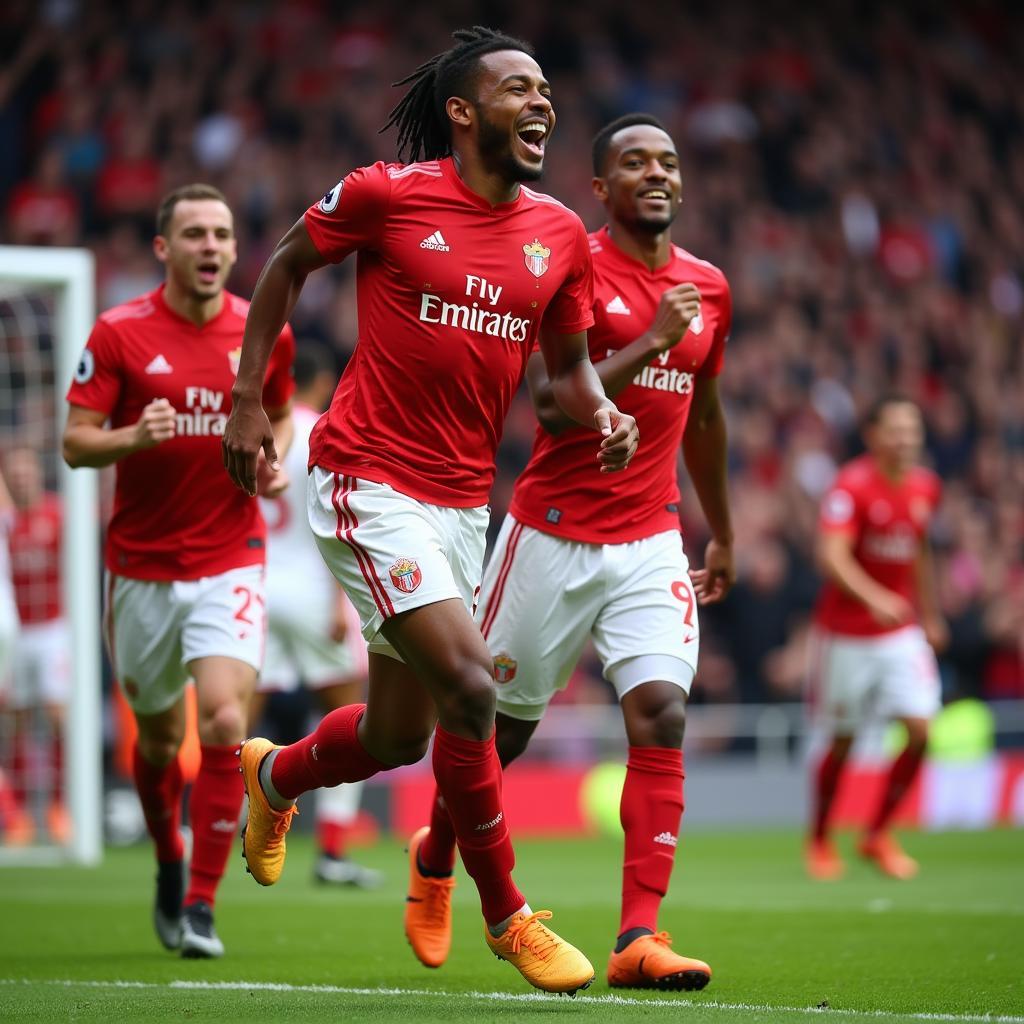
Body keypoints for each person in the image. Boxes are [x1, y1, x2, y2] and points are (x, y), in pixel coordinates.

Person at [221, 26, 638, 996]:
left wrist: (605, 412)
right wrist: (249, 400)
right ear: (461, 111)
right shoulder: (387, 197)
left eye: (545, 90)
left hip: (459, 505)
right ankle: (508, 916)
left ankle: (272, 776)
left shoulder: (560, 236)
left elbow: (567, 375)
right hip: (365, 479)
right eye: (516, 90)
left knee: (400, 736)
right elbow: (282, 267)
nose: (540, 104)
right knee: (472, 687)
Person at [410, 113, 734, 991]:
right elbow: (553, 408)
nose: (656, 174)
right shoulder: (573, 263)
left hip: (651, 535)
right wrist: (652, 343)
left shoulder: (709, 285)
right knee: (497, 733)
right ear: (601, 187)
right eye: (635, 162)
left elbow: (704, 416)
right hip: (550, 533)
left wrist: (724, 531)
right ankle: (436, 858)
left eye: (668, 160)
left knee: (661, 712)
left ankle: (638, 936)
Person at [63, 183, 295, 957]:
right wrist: (134, 436)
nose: (208, 246)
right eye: (192, 233)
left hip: (231, 555)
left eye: (220, 234)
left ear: (234, 249)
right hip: (141, 568)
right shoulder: (121, 332)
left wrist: (277, 458)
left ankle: (200, 903)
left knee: (227, 721)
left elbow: (284, 410)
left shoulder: (260, 333)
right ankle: (168, 862)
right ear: (164, 249)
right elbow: (74, 441)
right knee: (160, 743)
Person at [253, 343, 381, 889]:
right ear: (324, 379)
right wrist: (338, 601)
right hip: (311, 590)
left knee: (235, 721)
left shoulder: (256, 430)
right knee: (360, 719)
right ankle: (331, 854)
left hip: (254, 588)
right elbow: (333, 517)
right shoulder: (322, 431)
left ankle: (216, 828)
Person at [806, 396, 947, 880]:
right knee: (843, 739)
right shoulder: (851, 486)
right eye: (896, 429)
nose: (906, 438)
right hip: (847, 634)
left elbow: (921, 552)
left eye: (913, 429)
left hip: (900, 632)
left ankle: (877, 834)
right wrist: (873, 597)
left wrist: (930, 614)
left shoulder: (926, 487)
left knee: (922, 729)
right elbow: (832, 555)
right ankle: (821, 839)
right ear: (874, 435)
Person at [3, 448, 70, 845]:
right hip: (16, 633)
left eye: (26, 469)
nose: (21, 477)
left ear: (37, 473)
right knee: (17, 723)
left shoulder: (58, 515)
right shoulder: (6, 524)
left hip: (53, 629)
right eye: (13, 471)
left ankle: (60, 806)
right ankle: (23, 814)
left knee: (59, 717)